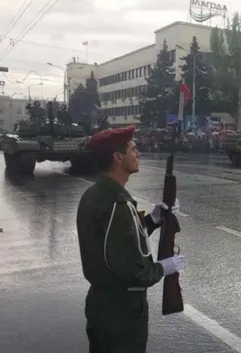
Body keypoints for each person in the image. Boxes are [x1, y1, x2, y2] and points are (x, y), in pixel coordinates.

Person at [76, 125, 186, 353]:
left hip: (105, 305)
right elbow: (132, 269)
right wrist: (161, 268)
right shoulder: (117, 202)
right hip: (122, 311)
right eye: (133, 149)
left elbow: (116, 241)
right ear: (118, 157)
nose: (139, 154)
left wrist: (153, 220)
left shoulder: (97, 194)